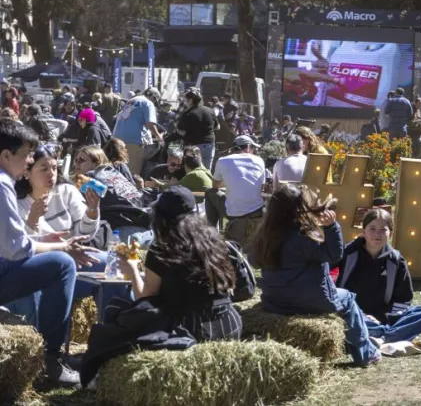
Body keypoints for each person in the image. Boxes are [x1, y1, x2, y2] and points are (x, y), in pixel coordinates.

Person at [80, 186, 242, 384]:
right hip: (229, 323)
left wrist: (132, 270)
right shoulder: (215, 241)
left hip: (190, 330)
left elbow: (145, 299)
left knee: (117, 309)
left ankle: (99, 375)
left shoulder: (163, 248)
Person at [0, 121, 94, 387]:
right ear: (6, 155)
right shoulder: (2, 183)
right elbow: (17, 251)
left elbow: (11, 243)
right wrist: (62, 247)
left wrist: (40, 240)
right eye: (27, 155)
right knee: (62, 265)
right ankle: (50, 361)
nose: (29, 161)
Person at [254, 184, 380, 367]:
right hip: (310, 300)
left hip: (274, 300)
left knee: (344, 299)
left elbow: (253, 259)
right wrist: (331, 228)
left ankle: (370, 335)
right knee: (348, 299)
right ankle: (365, 353)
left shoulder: (265, 234)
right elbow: (334, 255)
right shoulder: (303, 234)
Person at [337, 209, 421, 344]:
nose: (377, 234)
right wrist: (362, 316)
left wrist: (385, 318)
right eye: (372, 229)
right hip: (352, 314)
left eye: (383, 230)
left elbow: (404, 298)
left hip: (382, 318)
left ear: (391, 234)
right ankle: (388, 334)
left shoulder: (396, 261)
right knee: (348, 320)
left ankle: (381, 337)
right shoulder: (347, 253)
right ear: (363, 231)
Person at [74, 146, 149, 242]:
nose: (76, 164)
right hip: (143, 226)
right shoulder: (114, 172)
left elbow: (78, 209)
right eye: (75, 160)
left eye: (81, 160)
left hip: (121, 232)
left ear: (96, 162)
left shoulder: (90, 177)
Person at [208, 135, 266, 246]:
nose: (254, 151)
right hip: (256, 210)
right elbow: (261, 187)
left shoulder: (222, 161)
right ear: (248, 147)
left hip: (234, 212)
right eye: (253, 148)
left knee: (209, 193)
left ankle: (212, 232)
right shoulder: (259, 160)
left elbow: (215, 186)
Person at [111, 86, 163, 177]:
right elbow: (150, 124)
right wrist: (159, 136)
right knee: (133, 173)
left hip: (116, 140)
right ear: (153, 97)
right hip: (133, 141)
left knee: (119, 169)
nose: (154, 103)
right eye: (155, 101)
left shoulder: (132, 100)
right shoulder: (148, 103)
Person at [176, 87, 217, 171]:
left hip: (193, 146)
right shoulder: (210, 110)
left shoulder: (187, 114)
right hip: (209, 144)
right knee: (207, 170)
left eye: (186, 100)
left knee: (193, 169)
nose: (185, 102)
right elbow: (217, 126)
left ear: (190, 100)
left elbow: (182, 132)